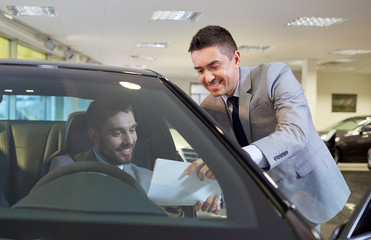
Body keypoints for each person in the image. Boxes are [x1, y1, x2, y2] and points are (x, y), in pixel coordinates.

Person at [186, 25, 350, 228]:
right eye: (200, 70)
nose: (207, 78)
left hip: (303, 188)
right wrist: (211, 189)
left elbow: (295, 133)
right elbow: (217, 157)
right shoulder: (208, 107)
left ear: (236, 59)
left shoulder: (274, 75)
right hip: (256, 199)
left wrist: (240, 158)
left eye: (214, 66)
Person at [49, 99, 220, 216]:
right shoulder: (66, 167)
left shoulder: (147, 178)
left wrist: (176, 206)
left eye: (132, 130)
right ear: (94, 136)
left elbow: (167, 232)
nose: (129, 141)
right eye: (117, 133)